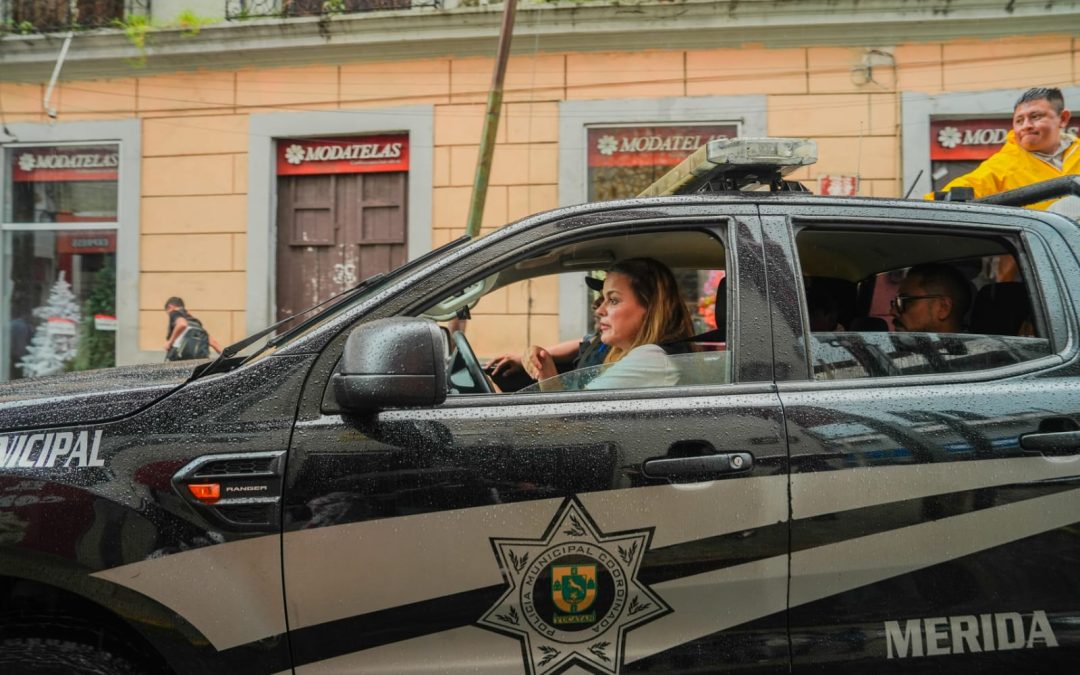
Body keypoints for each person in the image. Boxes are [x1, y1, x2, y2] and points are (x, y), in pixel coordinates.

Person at [523, 257, 694, 391]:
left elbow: (565, 422)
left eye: (613, 300)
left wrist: (547, 375)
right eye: (603, 298)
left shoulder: (650, 360)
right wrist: (544, 367)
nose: (599, 310)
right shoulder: (646, 356)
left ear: (650, 308)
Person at [929, 87, 1078, 211]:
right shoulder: (1002, 165)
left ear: (1063, 118)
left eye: (1035, 117)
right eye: (1019, 120)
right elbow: (952, 196)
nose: (1026, 126)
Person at [889, 263, 971, 334]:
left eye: (905, 301)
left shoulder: (977, 351)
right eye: (895, 302)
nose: (892, 311)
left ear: (943, 307)